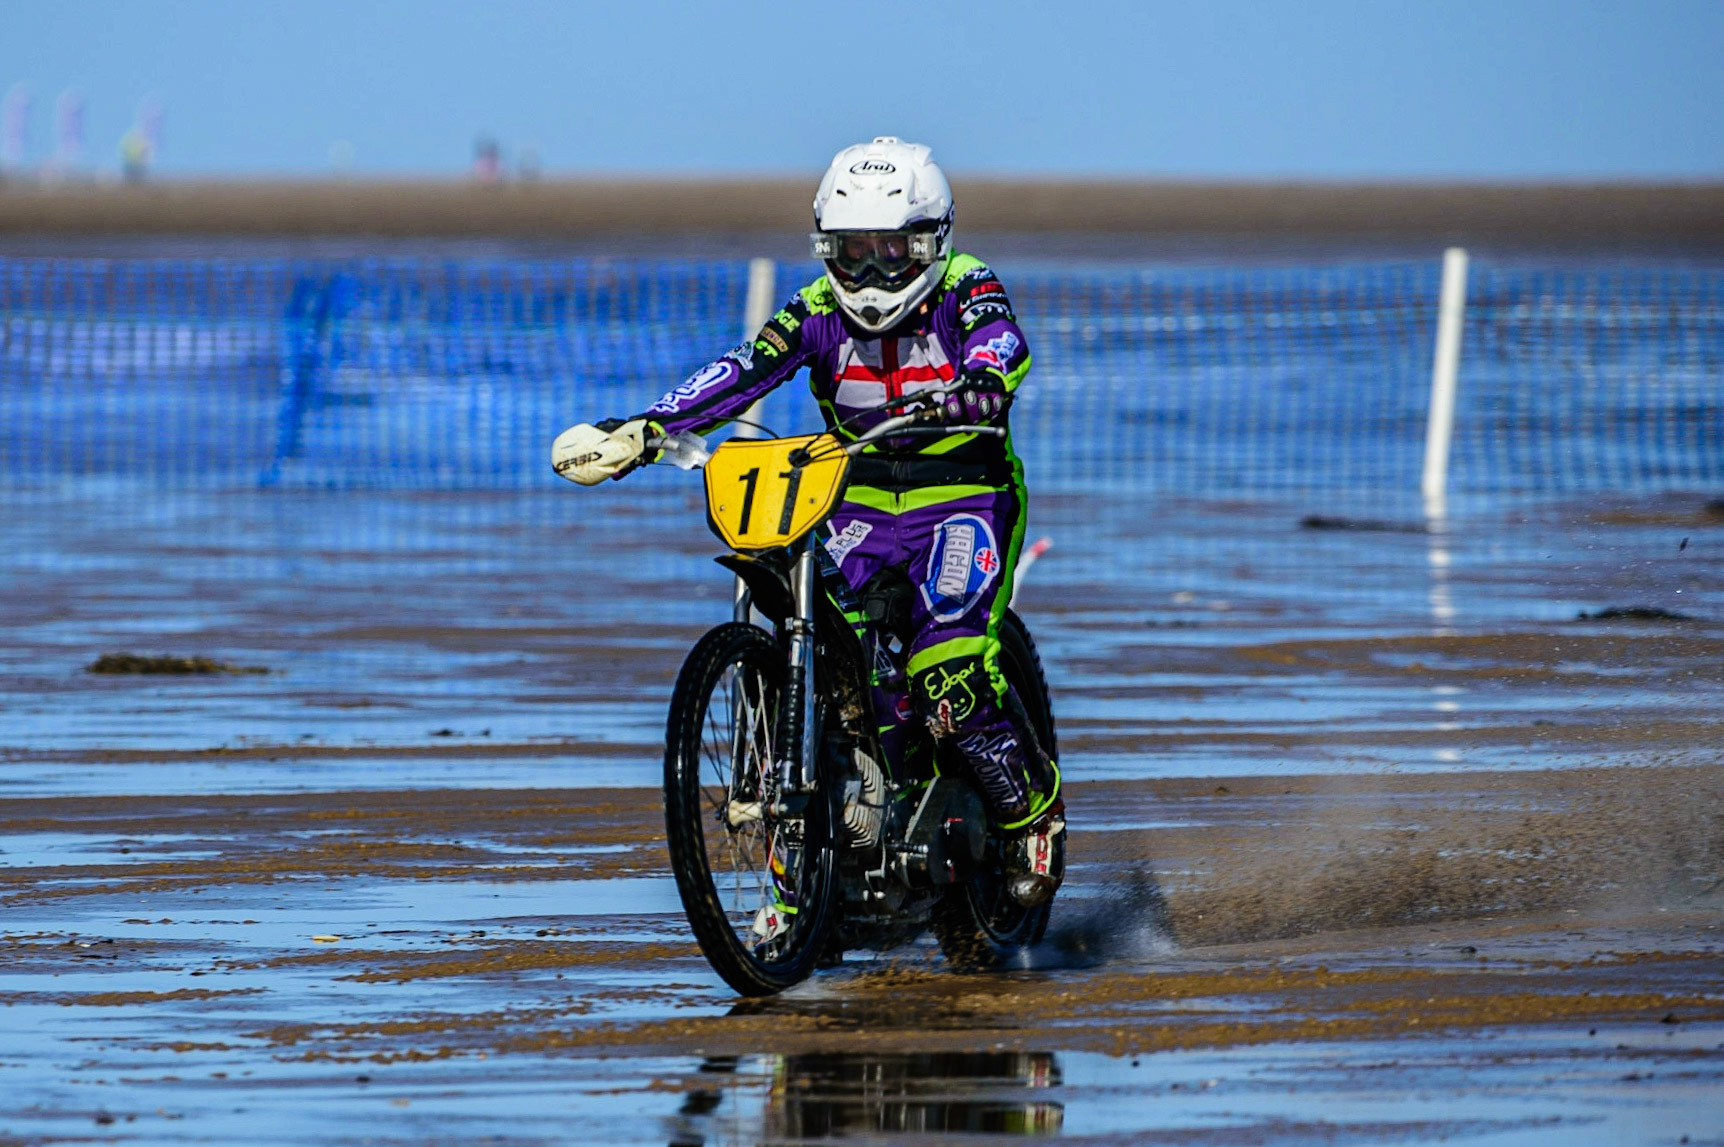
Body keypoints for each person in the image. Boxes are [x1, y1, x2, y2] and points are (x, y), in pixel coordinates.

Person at [569, 136, 1062, 906]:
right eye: (851, 253)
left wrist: (981, 383)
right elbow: (744, 367)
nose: (869, 275)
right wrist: (645, 428)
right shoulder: (817, 307)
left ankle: (1030, 809)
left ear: (931, 242)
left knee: (950, 669)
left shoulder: (970, 286)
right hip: (854, 494)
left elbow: (1003, 344)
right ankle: (809, 867)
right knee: (819, 640)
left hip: (962, 495)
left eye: (891, 252)